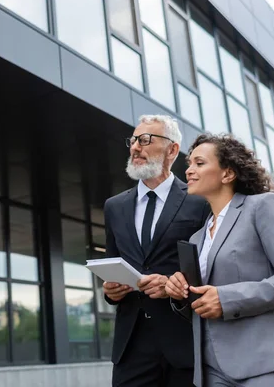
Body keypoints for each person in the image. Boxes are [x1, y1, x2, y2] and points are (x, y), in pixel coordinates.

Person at [165, 133, 274, 387]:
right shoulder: (197, 237)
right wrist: (180, 294)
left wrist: (227, 298)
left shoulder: (262, 207)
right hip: (211, 369)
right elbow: (202, 304)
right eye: (189, 164)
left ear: (227, 174)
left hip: (265, 364)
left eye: (199, 163)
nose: (188, 171)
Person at [103, 115, 210, 387]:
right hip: (131, 346)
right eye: (134, 140)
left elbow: (212, 265)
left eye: (146, 139)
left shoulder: (199, 201)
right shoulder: (114, 206)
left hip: (184, 341)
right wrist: (111, 291)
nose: (136, 147)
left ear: (172, 149)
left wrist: (174, 284)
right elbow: (113, 263)